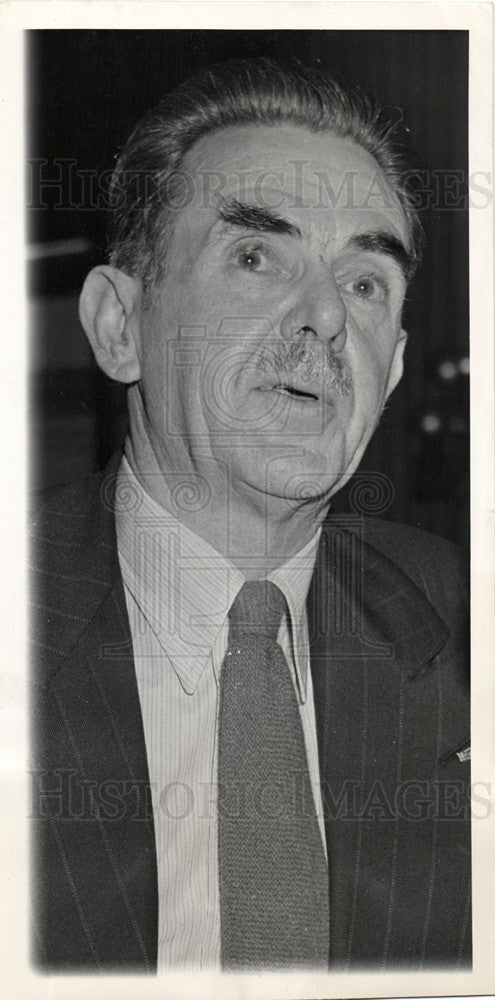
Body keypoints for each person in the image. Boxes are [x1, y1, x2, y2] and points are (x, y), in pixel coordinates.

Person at [30, 57, 471, 973]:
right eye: (254, 255)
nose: (322, 318)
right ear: (120, 326)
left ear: (388, 374)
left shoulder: (465, 630)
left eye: (364, 282)